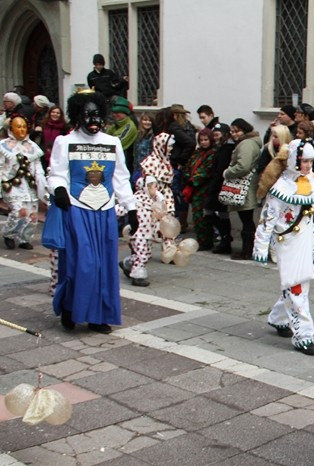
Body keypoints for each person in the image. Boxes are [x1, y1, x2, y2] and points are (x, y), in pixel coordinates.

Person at [48, 91, 136, 333]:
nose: (93, 120)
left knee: (104, 265)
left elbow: (121, 177)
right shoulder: (64, 142)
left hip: (105, 211)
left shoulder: (113, 142)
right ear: (78, 116)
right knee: (81, 264)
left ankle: (99, 316)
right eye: (87, 115)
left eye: (97, 114)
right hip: (77, 210)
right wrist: (59, 190)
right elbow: (56, 173)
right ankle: (70, 308)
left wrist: (132, 208)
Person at [254, 139, 314, 354]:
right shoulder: (281, 187)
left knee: (297, 283)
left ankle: (279, 318)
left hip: (307, 240)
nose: (308, 165)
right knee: (297, 286)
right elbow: (267, 219)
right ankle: (303, 335)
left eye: (310, 161)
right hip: (287, 243)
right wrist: (260, 248)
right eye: (303, 161)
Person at [119, 132, 176, 287]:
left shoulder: (165, 161)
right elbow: (126, 205)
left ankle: (130, 264)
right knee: (142, 251)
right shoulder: (150, 163)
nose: (171, 148)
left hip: (156, 212)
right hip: (141, 225)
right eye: (169, 145)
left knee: (149, 249)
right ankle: (138, 273)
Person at [1, 115, 47, 250]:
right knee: (18, 211)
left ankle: (24, 238)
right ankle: (8, 234)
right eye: (18, 126)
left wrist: (41, 181)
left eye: (24, 127)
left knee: (32, 215)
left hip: (29, 185)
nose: (21, 130)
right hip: (11, 184)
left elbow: (38, 166)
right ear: (11, 128)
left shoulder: (33, 146)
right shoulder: (3, 146)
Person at [223, 118, 262, 260]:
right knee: (247, 219)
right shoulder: (249, 142)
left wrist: (228, 172)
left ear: (245, 130)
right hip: (247, 185)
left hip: (244, 186)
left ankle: (247, 250)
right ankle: (248, 249)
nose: (234, 134)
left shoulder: (246, 144)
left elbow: (243, 166)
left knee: (246, 219)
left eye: (237, 131)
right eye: (232, 131)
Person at [184, 128, 218, 249]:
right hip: (194, 189)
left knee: (203, 217)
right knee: (196, 216)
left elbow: (207, 170)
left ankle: (206, 241)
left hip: (204, 189)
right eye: (201, 140)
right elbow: (188, 166)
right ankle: (201, 239)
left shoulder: (213, 153)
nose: (203, 142)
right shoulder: (197, 152)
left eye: (206, 139)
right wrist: (188, 177)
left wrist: (195, 179)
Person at [207, 123, 236, 254]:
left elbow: (220, 170)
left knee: (216, 212)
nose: (215, 138)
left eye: (217, 135)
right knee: (213, 212)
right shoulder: (221, 147)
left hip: (219, 185)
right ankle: (225, 238)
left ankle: (225, 238)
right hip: (216, 184)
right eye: (214, 135)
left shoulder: (227, 149)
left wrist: (213, 185)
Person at [105, 97, 137, 171]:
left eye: (117, 113)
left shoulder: (130, 127)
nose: (114, 115)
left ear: (124, 113)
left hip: (124, 163)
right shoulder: (115, 125)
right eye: (113, 112)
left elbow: (117, 142)